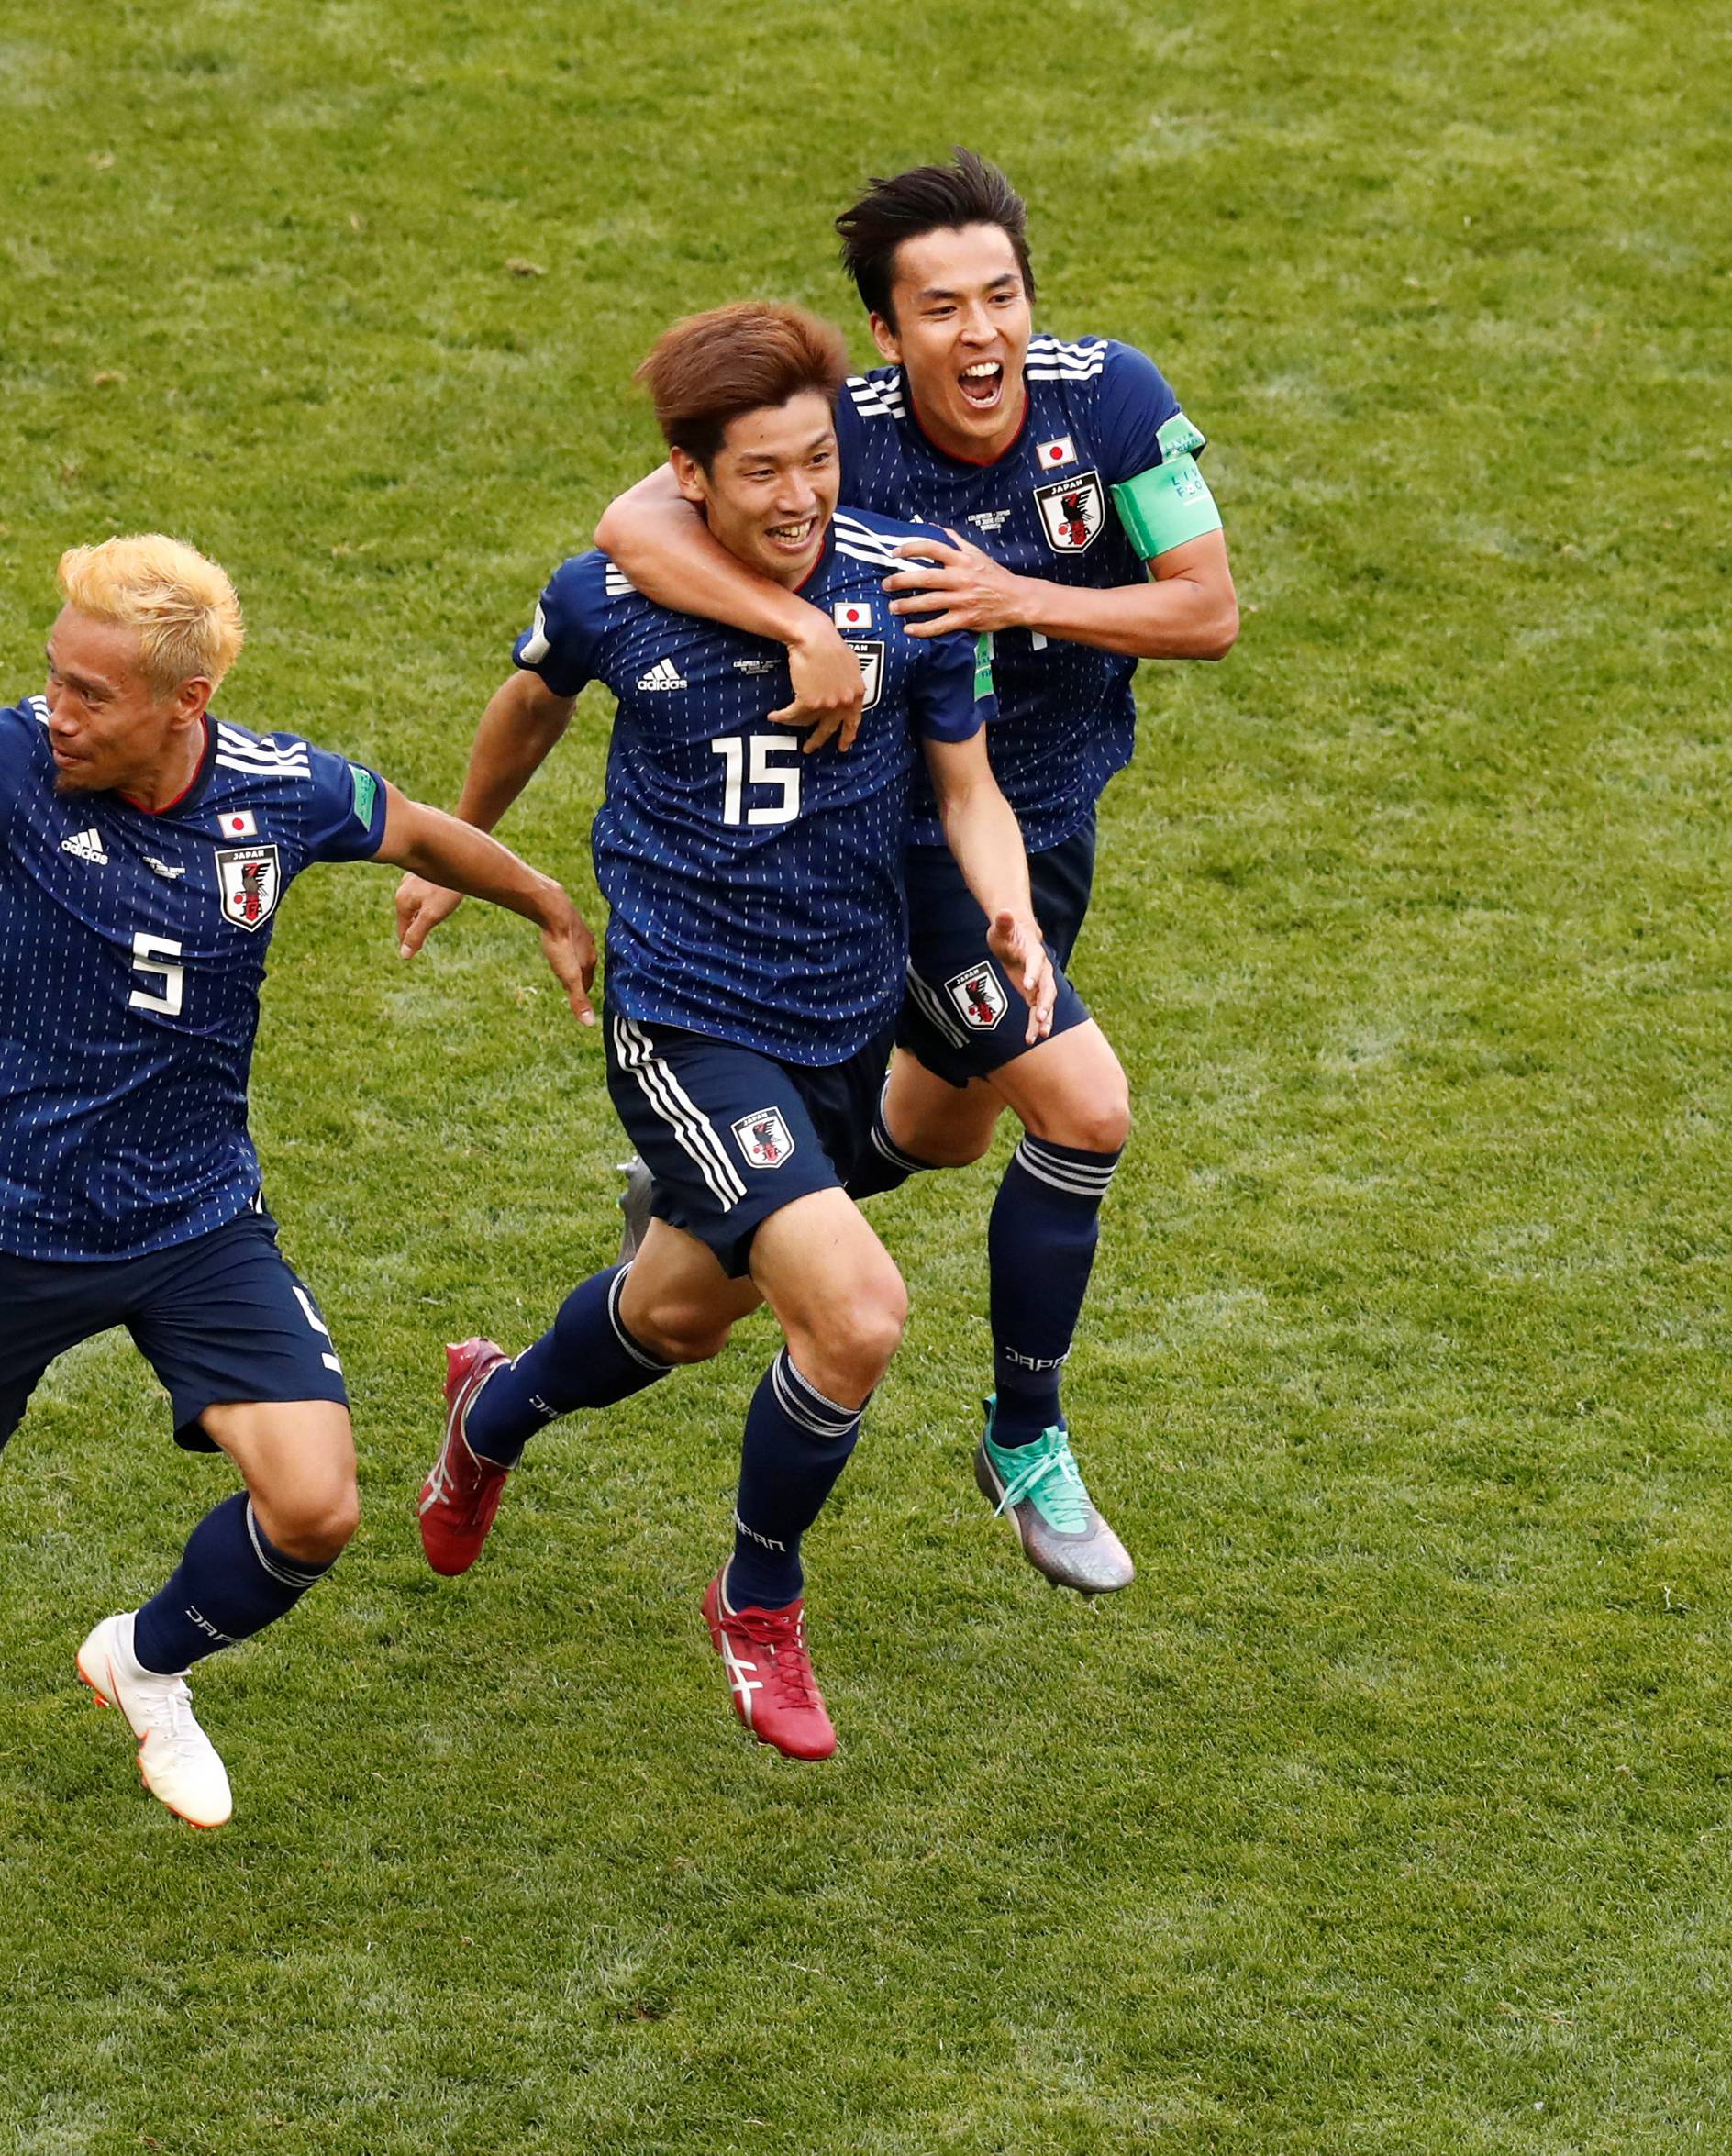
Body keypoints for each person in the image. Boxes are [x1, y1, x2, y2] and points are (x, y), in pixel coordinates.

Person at [397, 302, 1050, 1760]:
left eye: (819, 459)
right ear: (687, 477)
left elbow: (966, 787)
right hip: (687, 1019)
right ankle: (757, 1598)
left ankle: (488, 1414)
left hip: (837, 1016)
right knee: (859, 1312)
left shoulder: (902, 591)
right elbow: (529, 705)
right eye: (761, 471)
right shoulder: (613, 594)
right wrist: (462, 848)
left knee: (683, 1312)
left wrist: (1005, 907)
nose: (801, 497)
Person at [595, 150, 1239, 1596]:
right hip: (888, 842)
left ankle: (701, 1204)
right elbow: (631, 526)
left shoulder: (1109, 398)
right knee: (1083, 1108)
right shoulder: (848, 432)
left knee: (943, 1131)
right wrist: (794, 622)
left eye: (1001, 295)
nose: (982, 333)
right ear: (887, 335)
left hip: (1038, 827)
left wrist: (1022, 597)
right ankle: (1027, 1437)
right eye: (941, 308)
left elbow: (1208, 609)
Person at [0, 534, 597, 1828]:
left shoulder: (279, 794)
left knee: (318, 1504)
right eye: (55, 677)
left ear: (186, 704)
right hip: (14, 1216)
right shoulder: (13, 766)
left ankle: (148, 1665)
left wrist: (546, 899)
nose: (58, 710)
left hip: (192, 1217)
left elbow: (419, 829)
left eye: (90, 694)